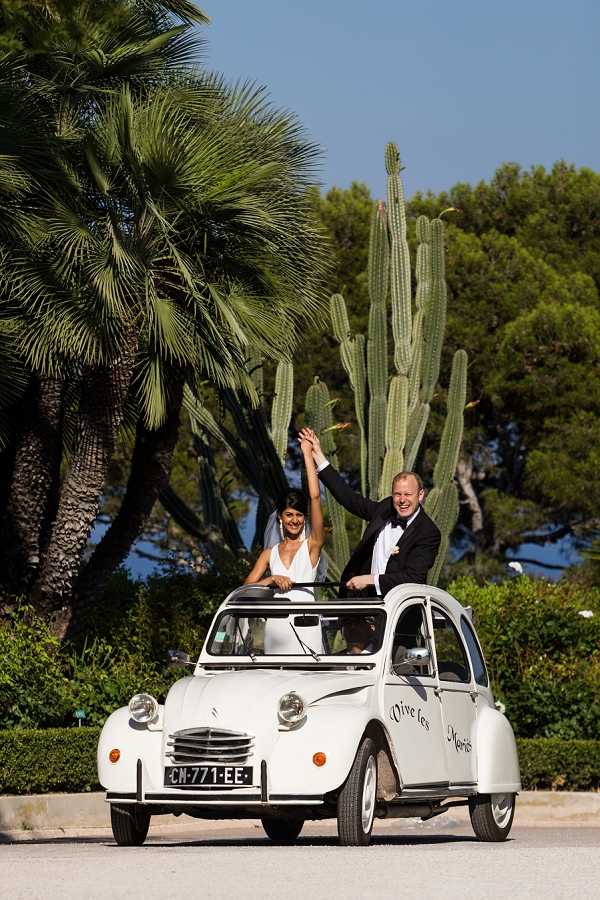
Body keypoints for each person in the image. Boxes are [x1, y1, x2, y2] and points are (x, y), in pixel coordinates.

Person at [299, 427, 440, 597]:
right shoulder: (386, 508)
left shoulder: (428, 532)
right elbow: (349, 499)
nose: (402, 500)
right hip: (363, 602)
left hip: (399, 610)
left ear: (421, 495)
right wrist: (318, 455)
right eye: (397, 494)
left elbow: (414, 578)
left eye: (408, 494)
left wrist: (370, 579)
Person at [244, 432, 324, 601]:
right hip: (275, 624)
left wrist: (307, 454)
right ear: (280, 517)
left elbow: (315, 497)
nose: (294, 520)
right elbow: (245, 589)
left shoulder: (312, 546)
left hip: (305, 623)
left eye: (299, 515)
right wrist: (271, 579)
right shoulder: (269, 554)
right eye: (289, 515)